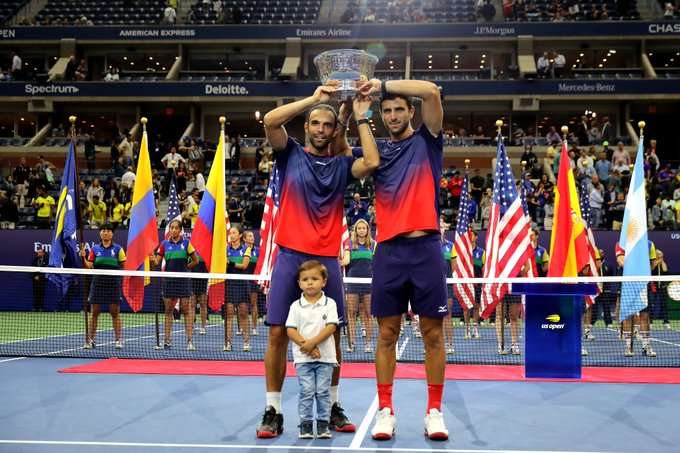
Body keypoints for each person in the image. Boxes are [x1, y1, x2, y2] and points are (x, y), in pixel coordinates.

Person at [256, 82, 379, 438]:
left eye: (327, 125)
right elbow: (270, 121)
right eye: (315, 124)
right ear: (307, 127)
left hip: (326, 260)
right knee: (278, 332)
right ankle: (273, 410)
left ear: (333, 130)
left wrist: (360, 116)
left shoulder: (342, 166)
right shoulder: (289, 153)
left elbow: (372, 161)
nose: (321, 130)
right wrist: (315, 100)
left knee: (333, 336)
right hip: (289, 255)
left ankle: (332, 406)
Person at [355, 78, 449, 440]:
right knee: (386, 334)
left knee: (433, 334)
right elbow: (347, 154)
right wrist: (358, 113)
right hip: (389, 252)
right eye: (388, 111)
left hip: (425, 249)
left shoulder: (428, 140)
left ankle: (435, 412)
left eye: (399, 109)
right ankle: (385, 411)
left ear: (411, 112)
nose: (393, 115)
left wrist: (382, 85)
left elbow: (430, 91)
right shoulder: (375, 150)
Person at [285, 260, 338, 439]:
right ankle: (305, 425)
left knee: (323, 392)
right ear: (299, 283)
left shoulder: (329, 303)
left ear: (323, 281)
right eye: (305, 279)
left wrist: (311, 344)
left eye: (314, 278)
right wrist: (306, 346)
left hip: (326, 358)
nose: (309, 282)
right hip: (303, 360)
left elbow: (331, 327)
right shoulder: (295, 306)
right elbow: (290, 329)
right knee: (306, 391)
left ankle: (323, 424)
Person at [151, 219, 199, 350]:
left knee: (186, 310)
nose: (173, 230)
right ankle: (167, 340)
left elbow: (195, 260)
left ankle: (189, 341)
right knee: (168, 310)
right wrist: (151, 257)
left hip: (183, 281)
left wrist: (185, 268)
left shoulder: (187, 243)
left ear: (180, 230)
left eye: (175, 228)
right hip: (168, 281)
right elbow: (157, 262)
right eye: (171, 228)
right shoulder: (164, 244)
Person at [80, 223, 126, 349]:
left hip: (113, 284)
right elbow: (89, 266)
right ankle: (90, 340)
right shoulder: (94, 249)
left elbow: (125, 265)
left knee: (115, 312)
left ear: (112, 233)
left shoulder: (118, 249)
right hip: (98, 284)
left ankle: (118, 340)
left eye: (108, 230)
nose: (105, 232)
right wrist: (83, 258)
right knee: (94, 313)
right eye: (103, 230)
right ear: (100, 233)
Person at [616, 240, 657, 357]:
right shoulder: (621, 243)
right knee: (628, 315)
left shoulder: (649, 244)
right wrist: (638, 264)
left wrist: (642, 269)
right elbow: (620, 261)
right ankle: (628, 346)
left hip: (643, 283)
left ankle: (646, 346)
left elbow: (653, 263)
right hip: (627, 283)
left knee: (645, 316)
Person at [340, 219, 375, 354]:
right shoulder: (349, 245)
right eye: (359, 228)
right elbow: (346, 261)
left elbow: (376, 264)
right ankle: (351, 343)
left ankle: (368, 344)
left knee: (367, 313)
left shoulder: (372, 245)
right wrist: (338, 261)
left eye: (363, 228)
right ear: (355, 230)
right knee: (351, 313)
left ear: (367, 230)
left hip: (368, 283)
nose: (361, 230)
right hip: (353, 282)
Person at [225, 225, 252, 352]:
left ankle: (246, 342)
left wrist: (230, 263)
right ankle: (228, 343)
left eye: (234, 232)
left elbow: (244, 265)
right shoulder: (225, 249)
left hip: (242, 283)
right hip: (229, 284)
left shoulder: (246, 249)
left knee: (243, 313)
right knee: (229, 314)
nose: (231, 235)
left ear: (240, 235)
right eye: (230, 233)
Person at [441, 223, 456, 355]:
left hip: (447, 284)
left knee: (448, 315)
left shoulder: (450, 246)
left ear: (445, 228)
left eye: (441, 226)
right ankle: (434, 344)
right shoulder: (429, 246)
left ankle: (450, 344)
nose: (439, 228)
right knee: (432, 316)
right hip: (433, 285)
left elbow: (454, 266)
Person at [244, 230, 261, 337]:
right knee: (242, 305)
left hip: (253, 280)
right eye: (249, 236)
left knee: (253, 303)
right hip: (243, 280)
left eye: (252, 236)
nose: (252, 238)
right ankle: (241, 327)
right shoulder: (242, 250)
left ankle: (254, 327)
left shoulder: (258, 251)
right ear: (244, 239)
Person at [191, 250, 209, 335]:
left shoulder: (205, 245)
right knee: (192, 304)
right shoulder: (190, 247)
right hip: (192, 277)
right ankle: (192, 326)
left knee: (203, 303)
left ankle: (203, 327)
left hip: (204, 277)